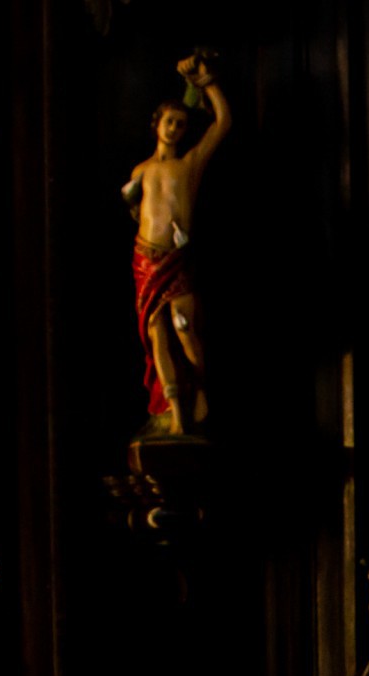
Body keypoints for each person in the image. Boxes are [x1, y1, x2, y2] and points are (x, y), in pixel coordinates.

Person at [123, 53, 230, 437]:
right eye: (170, 121)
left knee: (185, 329)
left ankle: (200, 391)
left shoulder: (189, 165)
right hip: (145, 259)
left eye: (181, 124)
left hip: (176, 260)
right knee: (157, 335)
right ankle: (176, 412)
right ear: (157, 124)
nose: (175, 128)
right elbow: (137, 211)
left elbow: (223, 124)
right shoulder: (141, 171)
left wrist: (207, 82)